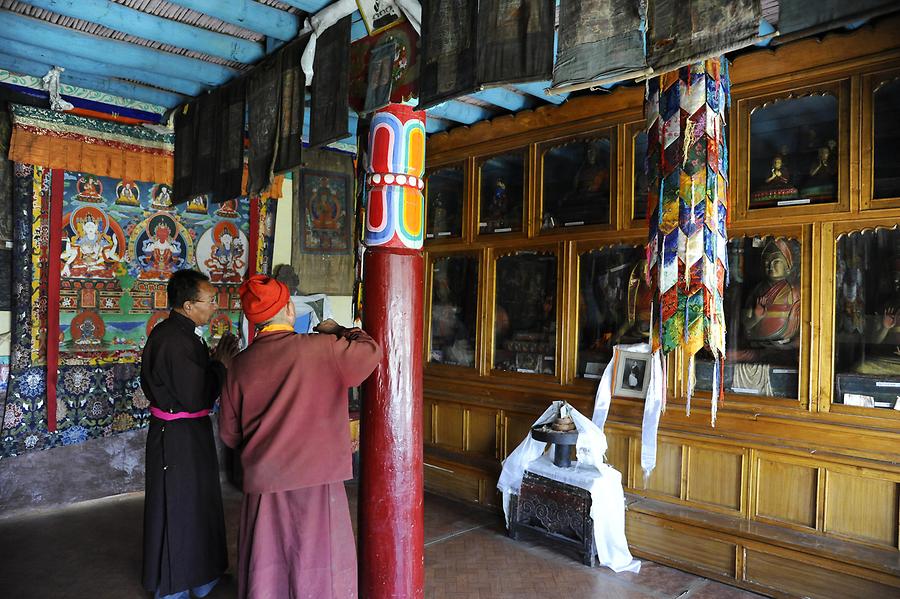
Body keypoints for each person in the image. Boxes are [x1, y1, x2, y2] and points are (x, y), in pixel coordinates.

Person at [220, 274, 382, 599]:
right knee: (318, 558)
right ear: (290, 310)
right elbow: (371, 352)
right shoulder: (323, 348)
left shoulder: (238, 366)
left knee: (269, 559)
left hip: (265, 481)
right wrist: (339, 330)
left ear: (254, 321)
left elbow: (229, 433)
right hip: (318, 476)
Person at [140, 269, 238, 599]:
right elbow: (196, 395)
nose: (215, 306)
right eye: (209, 301)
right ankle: (174, 586)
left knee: (198, 504)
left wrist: (213, 361)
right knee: (178, 506)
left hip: (189, 432)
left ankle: (201, 576)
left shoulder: (184, 334)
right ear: (187, 305)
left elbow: (191, 381)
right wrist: (221, 366)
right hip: (176, 438)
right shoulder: (171, 340)